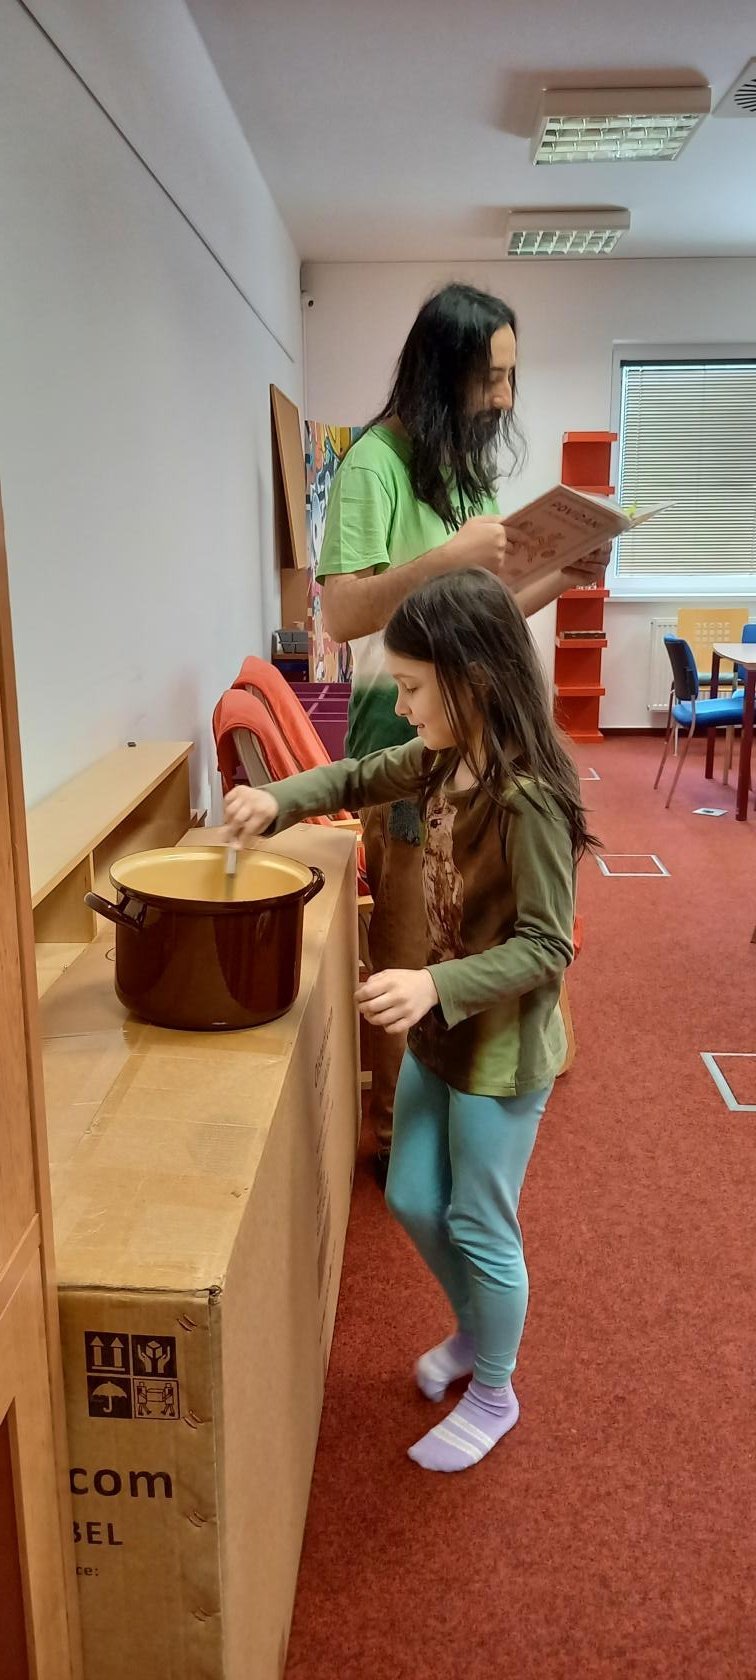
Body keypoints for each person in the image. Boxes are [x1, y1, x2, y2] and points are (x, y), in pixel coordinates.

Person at [224, 568, 598, 1473]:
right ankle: (476, 1329)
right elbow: (358, 773)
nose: (400, 705)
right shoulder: (437, 758)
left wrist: (435, 985)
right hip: (442, 1033)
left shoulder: (527, 800)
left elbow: (549, 945)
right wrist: (278, 799)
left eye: (414, 687)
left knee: (479, 1219)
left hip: (501, 1052)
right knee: (410, 1195)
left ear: (474, 681)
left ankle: (496, 1388)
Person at [314, 281, 607, 1170]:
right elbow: (343, 612)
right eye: (492, 378)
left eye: (511, 376)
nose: (506, 398)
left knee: (471, 924)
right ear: (442, 373)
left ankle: (453, 1109)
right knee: (408, 937)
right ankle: (394, 1140)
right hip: (404, 735)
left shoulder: (454, 468)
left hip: (481, 738)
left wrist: (563, 575)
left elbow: (481, 617)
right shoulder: (373, 465)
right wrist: (447, 556)